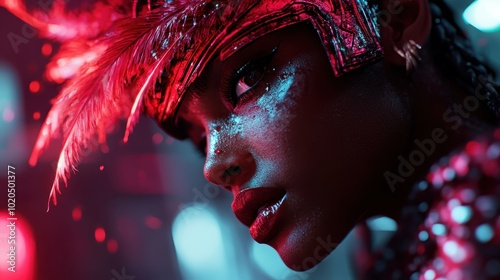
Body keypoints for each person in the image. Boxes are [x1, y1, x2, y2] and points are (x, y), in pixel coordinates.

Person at [3, 0, 500, 278]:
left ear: (395, 18)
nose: (214, 166)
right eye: (197, 138)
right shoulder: (412, 245)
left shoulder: (482, 215)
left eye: (248, 78)